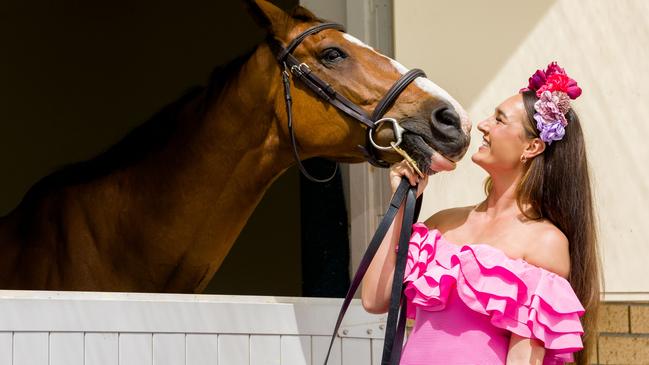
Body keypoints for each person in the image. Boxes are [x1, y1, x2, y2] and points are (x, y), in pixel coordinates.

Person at [361, 62, 601, 365]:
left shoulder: (544, 242)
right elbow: (374, 300)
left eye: (499, 120)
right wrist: (401, 202)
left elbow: (522, 360)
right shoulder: (442, 223)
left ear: (533, 146)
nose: (483, 125)